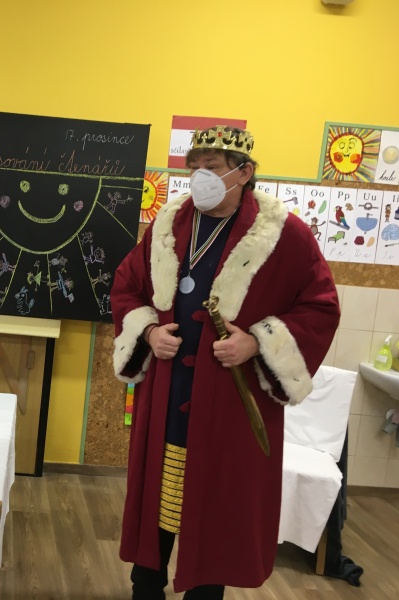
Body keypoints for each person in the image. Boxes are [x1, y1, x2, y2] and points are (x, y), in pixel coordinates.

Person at [111, 125, 340, 599]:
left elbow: (320, 308)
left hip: (231, 406)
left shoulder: (284, 234)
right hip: (167, 396)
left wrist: (257, 343)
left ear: (244, 172)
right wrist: (150, 332)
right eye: (194, 167)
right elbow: (127, 287)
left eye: (212, 168)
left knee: (215, 518)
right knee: (155, 513)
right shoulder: (168, 225)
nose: (200, 177)